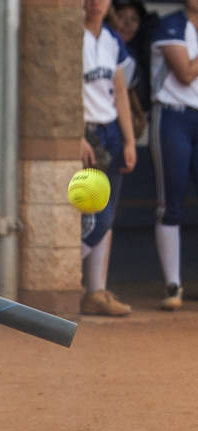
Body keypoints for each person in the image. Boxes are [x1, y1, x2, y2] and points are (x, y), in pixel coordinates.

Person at [79, 0, 136, 316]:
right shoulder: (74, 36)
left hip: (110, 131)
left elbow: (121, 91)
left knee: (108, 216)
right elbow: (65, 91)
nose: (95, 3)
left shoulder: (111, 39)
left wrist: (129, 139)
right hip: (88, 135)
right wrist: (77, 135)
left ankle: (96, 291)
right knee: (95, 217)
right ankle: (64, 279)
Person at [149, 0, 198, 310]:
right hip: (172, 117)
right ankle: (173, 286)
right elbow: (186, 73)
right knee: (171, 202)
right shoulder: (171, 24)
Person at [112, 0, 156, 140]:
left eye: (134, 19)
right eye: (121, 17)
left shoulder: (138, 54)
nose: (127, 24)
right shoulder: (100, 45)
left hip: (123, 131)